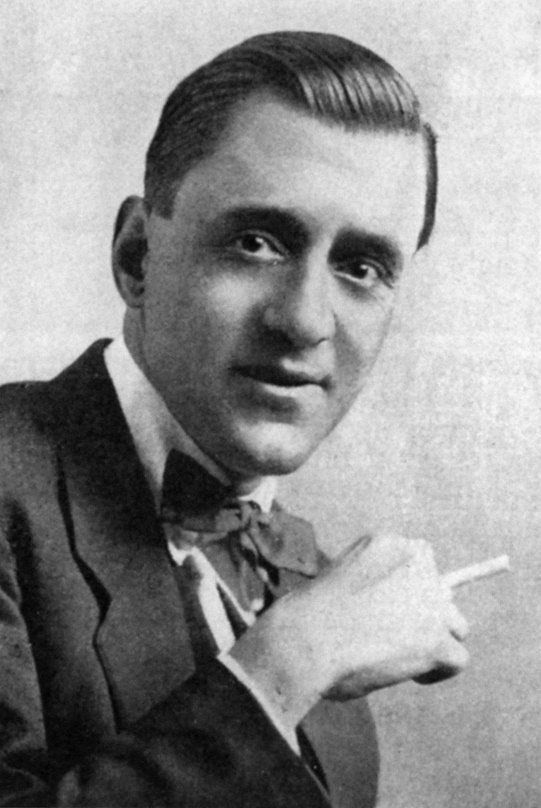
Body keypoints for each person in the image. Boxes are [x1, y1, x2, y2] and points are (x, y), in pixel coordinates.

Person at [0, 30, 469, 807]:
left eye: (361, 267)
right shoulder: (319, 631)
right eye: (256, 243)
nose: (305, 321)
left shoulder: (314, 583)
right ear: (136, 257)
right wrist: (288, 663)